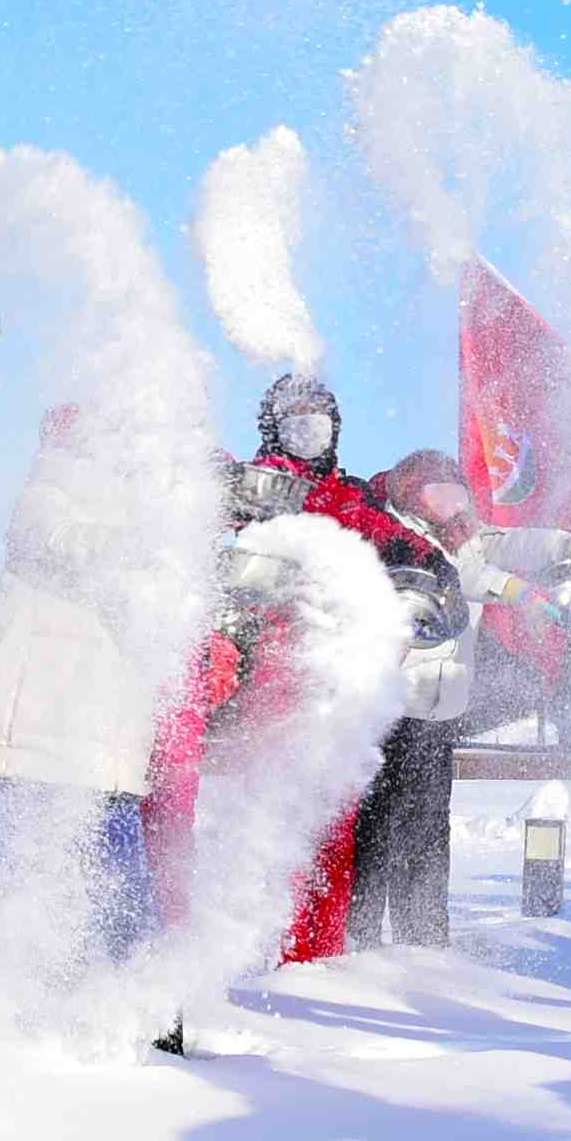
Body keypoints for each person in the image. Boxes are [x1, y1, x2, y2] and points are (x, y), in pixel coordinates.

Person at [368, 448, 571, 947]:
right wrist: (521, 594)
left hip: (439, 711)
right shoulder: (394, 539)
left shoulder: (467, 538)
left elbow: (517, 543)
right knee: (380, 822)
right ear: (410, 499)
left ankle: (423, 933)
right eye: (436, 499)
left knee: (427, 825)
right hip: (390, 706)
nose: (451, 513)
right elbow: (458, 580)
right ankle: (359, 933)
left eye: (456, 499)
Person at [241, 375, 452, 953]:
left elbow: (402, 544)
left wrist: (429, 568)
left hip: (337, 684)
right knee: (267, 822)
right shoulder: (253, 487)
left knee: (334, 821)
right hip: (267, 680)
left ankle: (318, 957)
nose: (311, 424)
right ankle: (247, 949)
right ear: (272, 422)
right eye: (297, 412)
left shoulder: (345, 497)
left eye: (322, 413)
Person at [0, 405, 165, 965]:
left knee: (119, 907)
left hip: (105, 755)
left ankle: (141, 1017)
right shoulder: (45, 494)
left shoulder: (149, 513)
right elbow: (70, 542)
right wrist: (167, 533)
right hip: (22, 749)